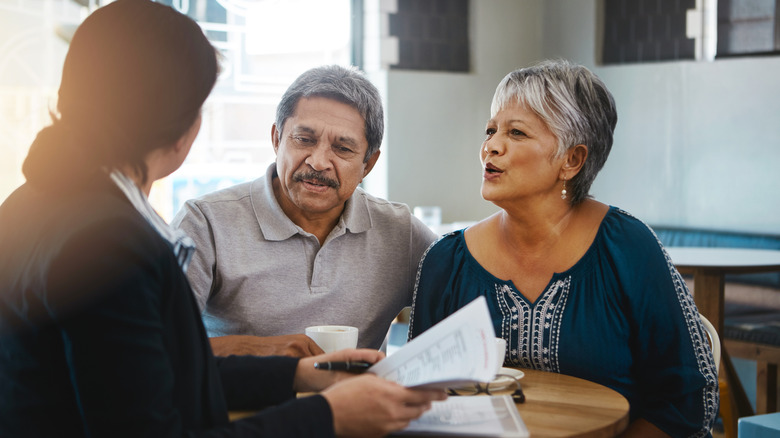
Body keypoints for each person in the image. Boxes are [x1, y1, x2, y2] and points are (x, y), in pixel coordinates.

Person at [0, 1, 444, 436]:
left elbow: (146, 378)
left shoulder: (31, 204)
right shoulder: (109, 246)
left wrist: (297, 377)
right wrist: (327, 417)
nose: (319, 161)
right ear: (181, 127)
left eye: (343, 148)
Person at [408, 60, 719, 437]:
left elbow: (685, 400)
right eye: (490, 130)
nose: (491, 146)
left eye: (517, 133)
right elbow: (416, 397)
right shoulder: (446, 261)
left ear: (572, 160)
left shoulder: (628, 249)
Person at [172, 65, 438, 357]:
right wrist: (259, 349)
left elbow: (472, 303)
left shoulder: (401, 234)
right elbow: (158, 346)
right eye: (304, 139)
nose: (319, 162)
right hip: (239, 402)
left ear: (368, 164)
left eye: (343, 148)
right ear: (276, 140)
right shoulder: (204, 222)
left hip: (354, 402)